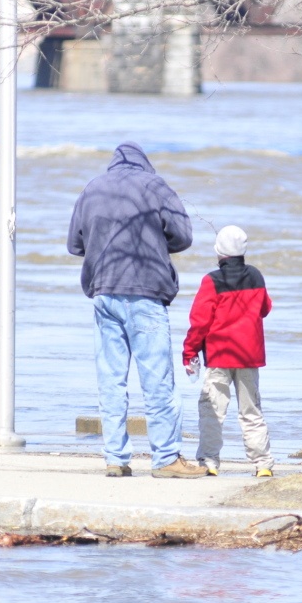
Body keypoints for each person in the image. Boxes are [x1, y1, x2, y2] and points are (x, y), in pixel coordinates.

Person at [68, 141, 207, 479]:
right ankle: (165, 459)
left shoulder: (91, 188)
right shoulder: (155, 186)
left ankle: (115, 458)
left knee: (111, 381)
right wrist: (156, 242)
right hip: (145, 292)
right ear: (145, 164)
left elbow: (75, 244)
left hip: (103, 293)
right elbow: (184, 236)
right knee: (157, 380)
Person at [182, 225, 274, 476]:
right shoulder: (255, 275)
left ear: (218, 251)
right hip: (249, 356)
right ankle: (262, 464)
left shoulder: (212, 280)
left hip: (219, 355)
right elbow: (265, 308)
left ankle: (209, 462)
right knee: (251, 410)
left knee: (212, 409)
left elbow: (199, 322)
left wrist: (189, 351)